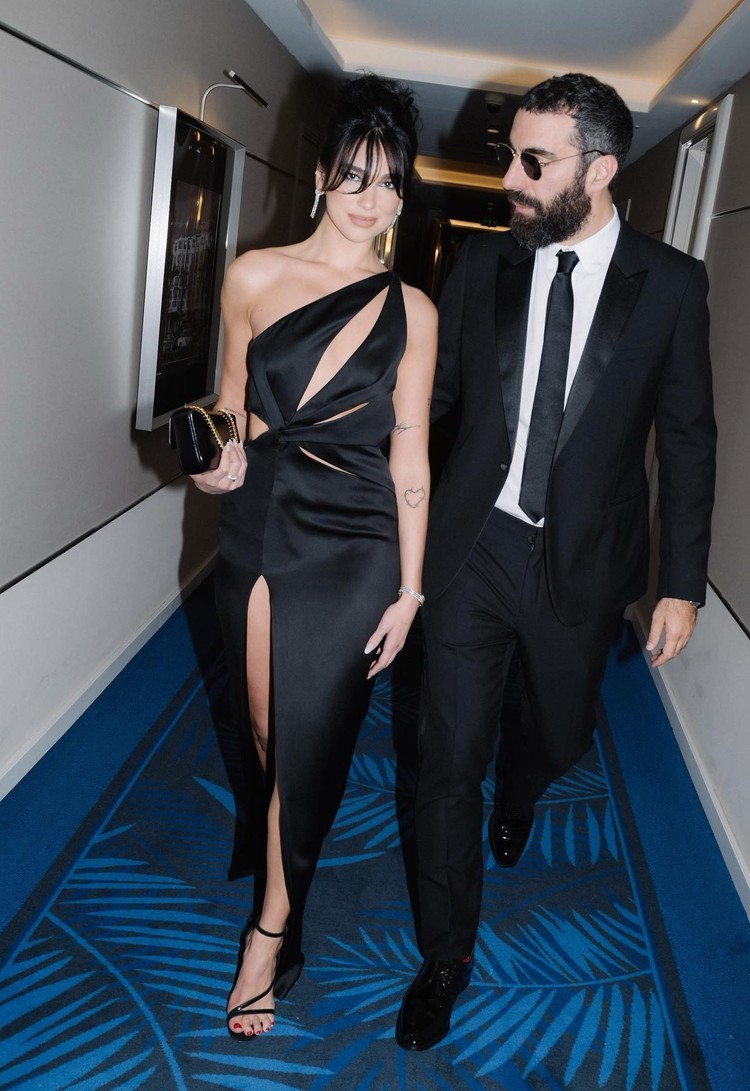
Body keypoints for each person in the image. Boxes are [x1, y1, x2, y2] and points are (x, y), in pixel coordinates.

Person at [395, 72, 716, 1051]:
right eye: (511, 158)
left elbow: (688, 438)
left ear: (600, 169)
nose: (510, 180)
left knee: (560, 729)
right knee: (444, 757)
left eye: (533, 163)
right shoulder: (486, 263)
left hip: (584, 556)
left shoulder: (670, 285)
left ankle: (525, 783)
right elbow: (435, 403)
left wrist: (681, 582)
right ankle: (446, 954)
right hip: (472, 543)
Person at [189, 73, 437, 1040]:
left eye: (391, 182)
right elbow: (230, 403)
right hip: (259, 522)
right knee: (266, 729)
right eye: (356, 176)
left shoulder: (412, 309)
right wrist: (215, 454)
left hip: (357, 540)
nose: (372, 200)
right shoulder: (253, 276)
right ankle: (281, 863)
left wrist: (409, 589)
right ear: (323, 173)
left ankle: (270, 928)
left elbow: (409, 454)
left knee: (313, 734)